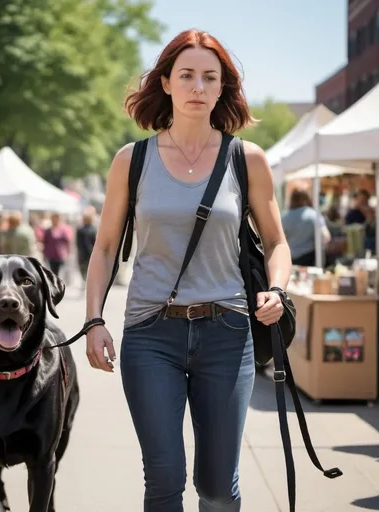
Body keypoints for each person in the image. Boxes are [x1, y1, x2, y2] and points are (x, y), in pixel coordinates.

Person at [83, 29, 291, 511]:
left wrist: (277, 290)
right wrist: (94, 320)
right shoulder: (131, 161)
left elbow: (277, 242)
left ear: (223, 88)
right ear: (167, 82)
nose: (198, 86)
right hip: (151, 334)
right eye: (187, 75)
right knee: (163, 480)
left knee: (218, 486)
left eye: (209, 77)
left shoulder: (248, 159)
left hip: (228, 332)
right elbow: (105, 248)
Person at [282, 188, 331, 266]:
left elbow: (282, 239)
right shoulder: (313, 215)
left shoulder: (285, 217)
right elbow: (326, 237)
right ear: (307, 199)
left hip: (291, 257)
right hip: (310, 257)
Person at [76, 207, 97, 289]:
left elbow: (78, 243)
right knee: (87, 269)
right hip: (89, 253)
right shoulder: (92, 229)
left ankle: (85, 282)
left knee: (84, 269)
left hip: (83, 253)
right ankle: (87, 282)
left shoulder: (81, 229)